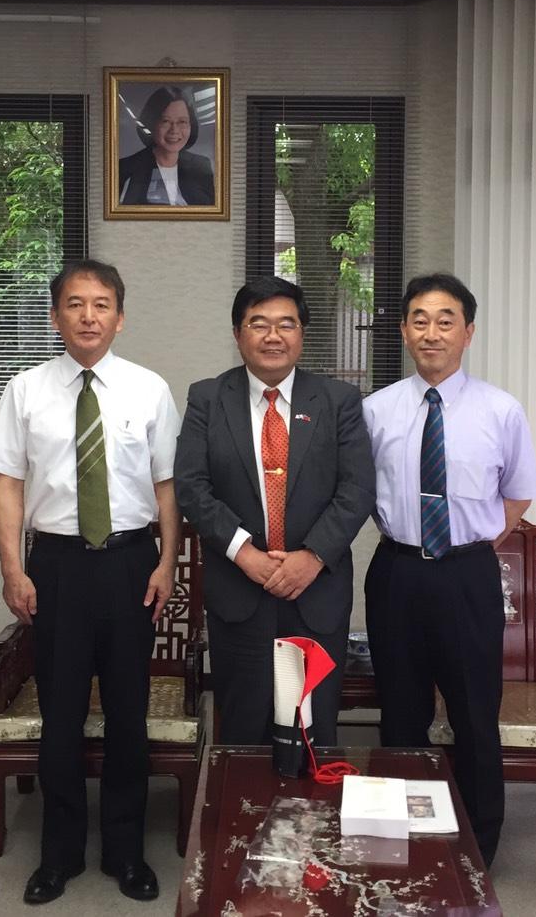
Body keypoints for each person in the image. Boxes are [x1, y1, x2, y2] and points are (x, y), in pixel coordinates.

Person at [0, 259, 181, 906]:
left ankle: (125, 852)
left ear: (120, 317)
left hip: (129, 563)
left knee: (127, 711)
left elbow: (167, 486)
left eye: (101, 305)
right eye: (74, 304)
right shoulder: (25, 390)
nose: (88, 316)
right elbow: (7, 485)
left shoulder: (149, 389)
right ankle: (58, 855)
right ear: (55, 316)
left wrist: (167, 562)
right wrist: (12, 568)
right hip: (57, 565)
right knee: (60, 713)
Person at [361, 272, 536, 866]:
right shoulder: (375, 411)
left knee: (474, 713)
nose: (432, 333)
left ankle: (478, 847)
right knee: (401, 714)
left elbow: (517, 493)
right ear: (403, 331)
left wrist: (472, 545)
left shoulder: (501, 410)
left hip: (467, 576)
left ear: (468, 332)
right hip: (398, 573)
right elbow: (359, 493)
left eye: (445, 321)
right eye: (420, 320)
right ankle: (402, 840)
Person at [174, 276, 375, 747]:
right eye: (258, 324)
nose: (273, 336)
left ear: (302, 333)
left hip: (315, 592)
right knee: (243, 731)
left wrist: (313, 556)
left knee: (311, 730)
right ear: (237, 333)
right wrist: (245, 554)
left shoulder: (338, 401)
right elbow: (192, 486)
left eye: (286, 324)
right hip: (239, 592)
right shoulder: (207, 398)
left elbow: (358, 488)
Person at [117, 86, 216, 206]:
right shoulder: (126, 168)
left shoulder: (201, 165)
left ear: (191, 125)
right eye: (165, 121)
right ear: (151, 124)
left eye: (182, 122)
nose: (174, 130)